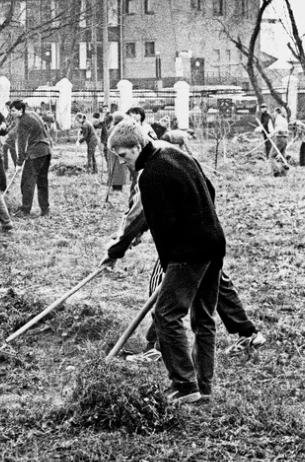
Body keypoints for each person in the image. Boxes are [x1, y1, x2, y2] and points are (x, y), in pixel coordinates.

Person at [105, 121, 226, 403]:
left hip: (188, 252)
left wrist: (122, 249)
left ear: (137, 146)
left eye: (124, 155)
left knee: (166, 315)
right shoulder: (178, 155)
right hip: (214, 242)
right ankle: (204, 387)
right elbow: (210, 191)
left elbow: (157, 222)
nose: (122, 162)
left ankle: (185, 386)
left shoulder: (151, 175)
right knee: (204, 317)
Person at [103, 173, 265, 359]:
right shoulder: (178, 160)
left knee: (161, 284)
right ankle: (249, 334)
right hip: (207, 232)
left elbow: (142, 209)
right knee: (216, 281)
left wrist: (123, 242)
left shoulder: (149, 168)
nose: (123, 162)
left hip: (184, 242)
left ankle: (157, 347)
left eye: (123, 155)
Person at [9, 100, 52, 217]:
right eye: (10, 111)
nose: (11, 113)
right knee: (42, 181)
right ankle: (45, 209)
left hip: (36, 153)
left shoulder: (23, 121)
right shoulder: (33, 114)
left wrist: (19, 162)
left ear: (20, 110)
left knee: (27, 182)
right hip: (46, 151)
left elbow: (21, 143)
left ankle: (25, 210)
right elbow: (45, 130)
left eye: (13, 111)